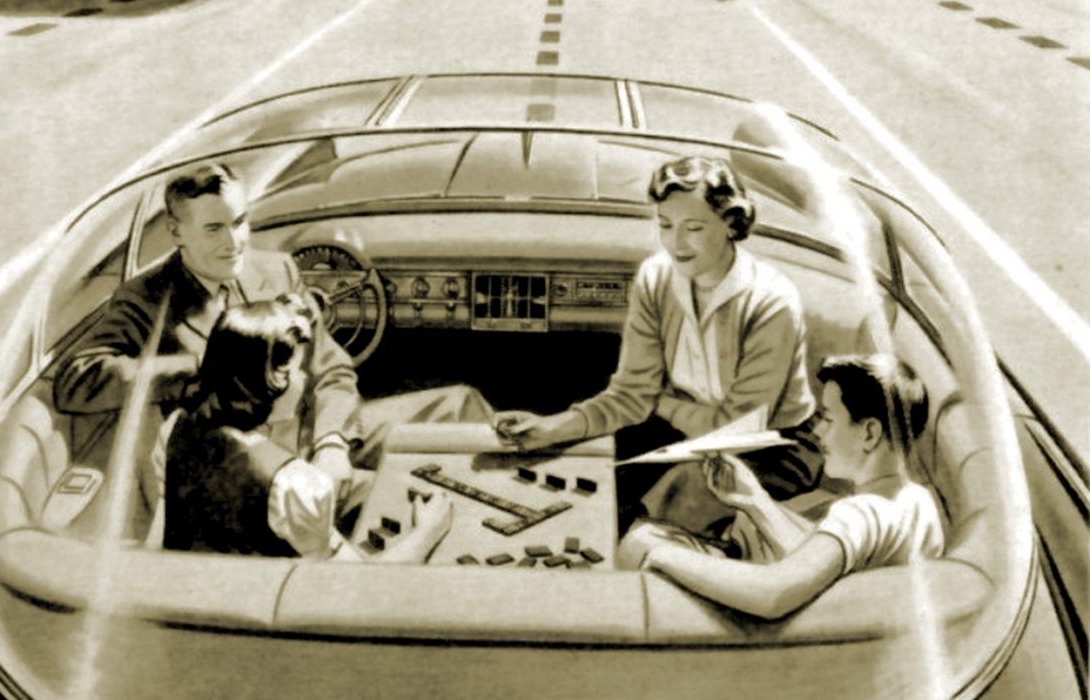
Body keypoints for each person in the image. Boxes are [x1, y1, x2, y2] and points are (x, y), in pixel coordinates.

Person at [54, 162, 490, 506]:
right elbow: (76, 378)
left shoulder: (276, 269)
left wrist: (332, 441)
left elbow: (332, 369)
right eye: (214, 229)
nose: (234, 243)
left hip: (313, 430)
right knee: (413, 496)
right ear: (175, 232)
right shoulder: (146, 298)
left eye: (240, 222)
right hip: (250, 463)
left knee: (458, 405)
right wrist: (202, 366)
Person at [494, 155, 822, 537]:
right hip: (683, 432)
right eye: (665, 225)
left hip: (772, 447)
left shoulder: (772, 300)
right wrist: (552, 428)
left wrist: (659, 403)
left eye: (693, 228)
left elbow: (734, 428)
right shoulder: (656, 277)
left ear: (731, 224)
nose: (675, 243)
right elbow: (630, 395)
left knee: (673, 501)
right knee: (591, 482)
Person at [621, 354, 944, 620]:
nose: (818, 432)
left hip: (787, 633)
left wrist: (660, 554)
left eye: (828, 419)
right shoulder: (917, 502)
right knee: (737, 524)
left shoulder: (858, 514)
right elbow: (820, 561)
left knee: (641, 539)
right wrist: (755, 501)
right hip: (841, 617)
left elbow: (772, 594)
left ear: (870, 433)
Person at [161, 295, 453, 562]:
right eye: (298, 370)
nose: (305, 381)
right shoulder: (292, 484)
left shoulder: (179, 426)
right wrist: (427, 532)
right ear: (270, 381)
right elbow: (360, 585)